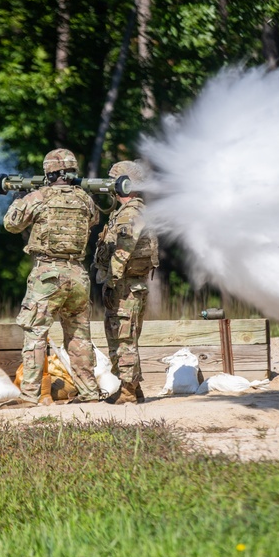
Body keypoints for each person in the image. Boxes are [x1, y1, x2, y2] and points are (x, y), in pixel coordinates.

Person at [2, 148, 101, 407]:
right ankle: (89, 392)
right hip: (78, 274)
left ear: (49, 172)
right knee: (79, 336)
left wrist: (19, 198)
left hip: (48, 274)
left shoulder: (39, 197)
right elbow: (93, 220)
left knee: (36, 332)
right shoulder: (85, 199)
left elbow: (11, 224)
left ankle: (30, 394)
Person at [93, 160, 159, 405]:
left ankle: (129, 392)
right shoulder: (133, 210)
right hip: (132, 285)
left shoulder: (130, 212)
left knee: (123, 339)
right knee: (126, 336)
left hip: (125, 286)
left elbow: (124, 250)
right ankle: (134, 387)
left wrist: (111, 281)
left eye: (113, 181)